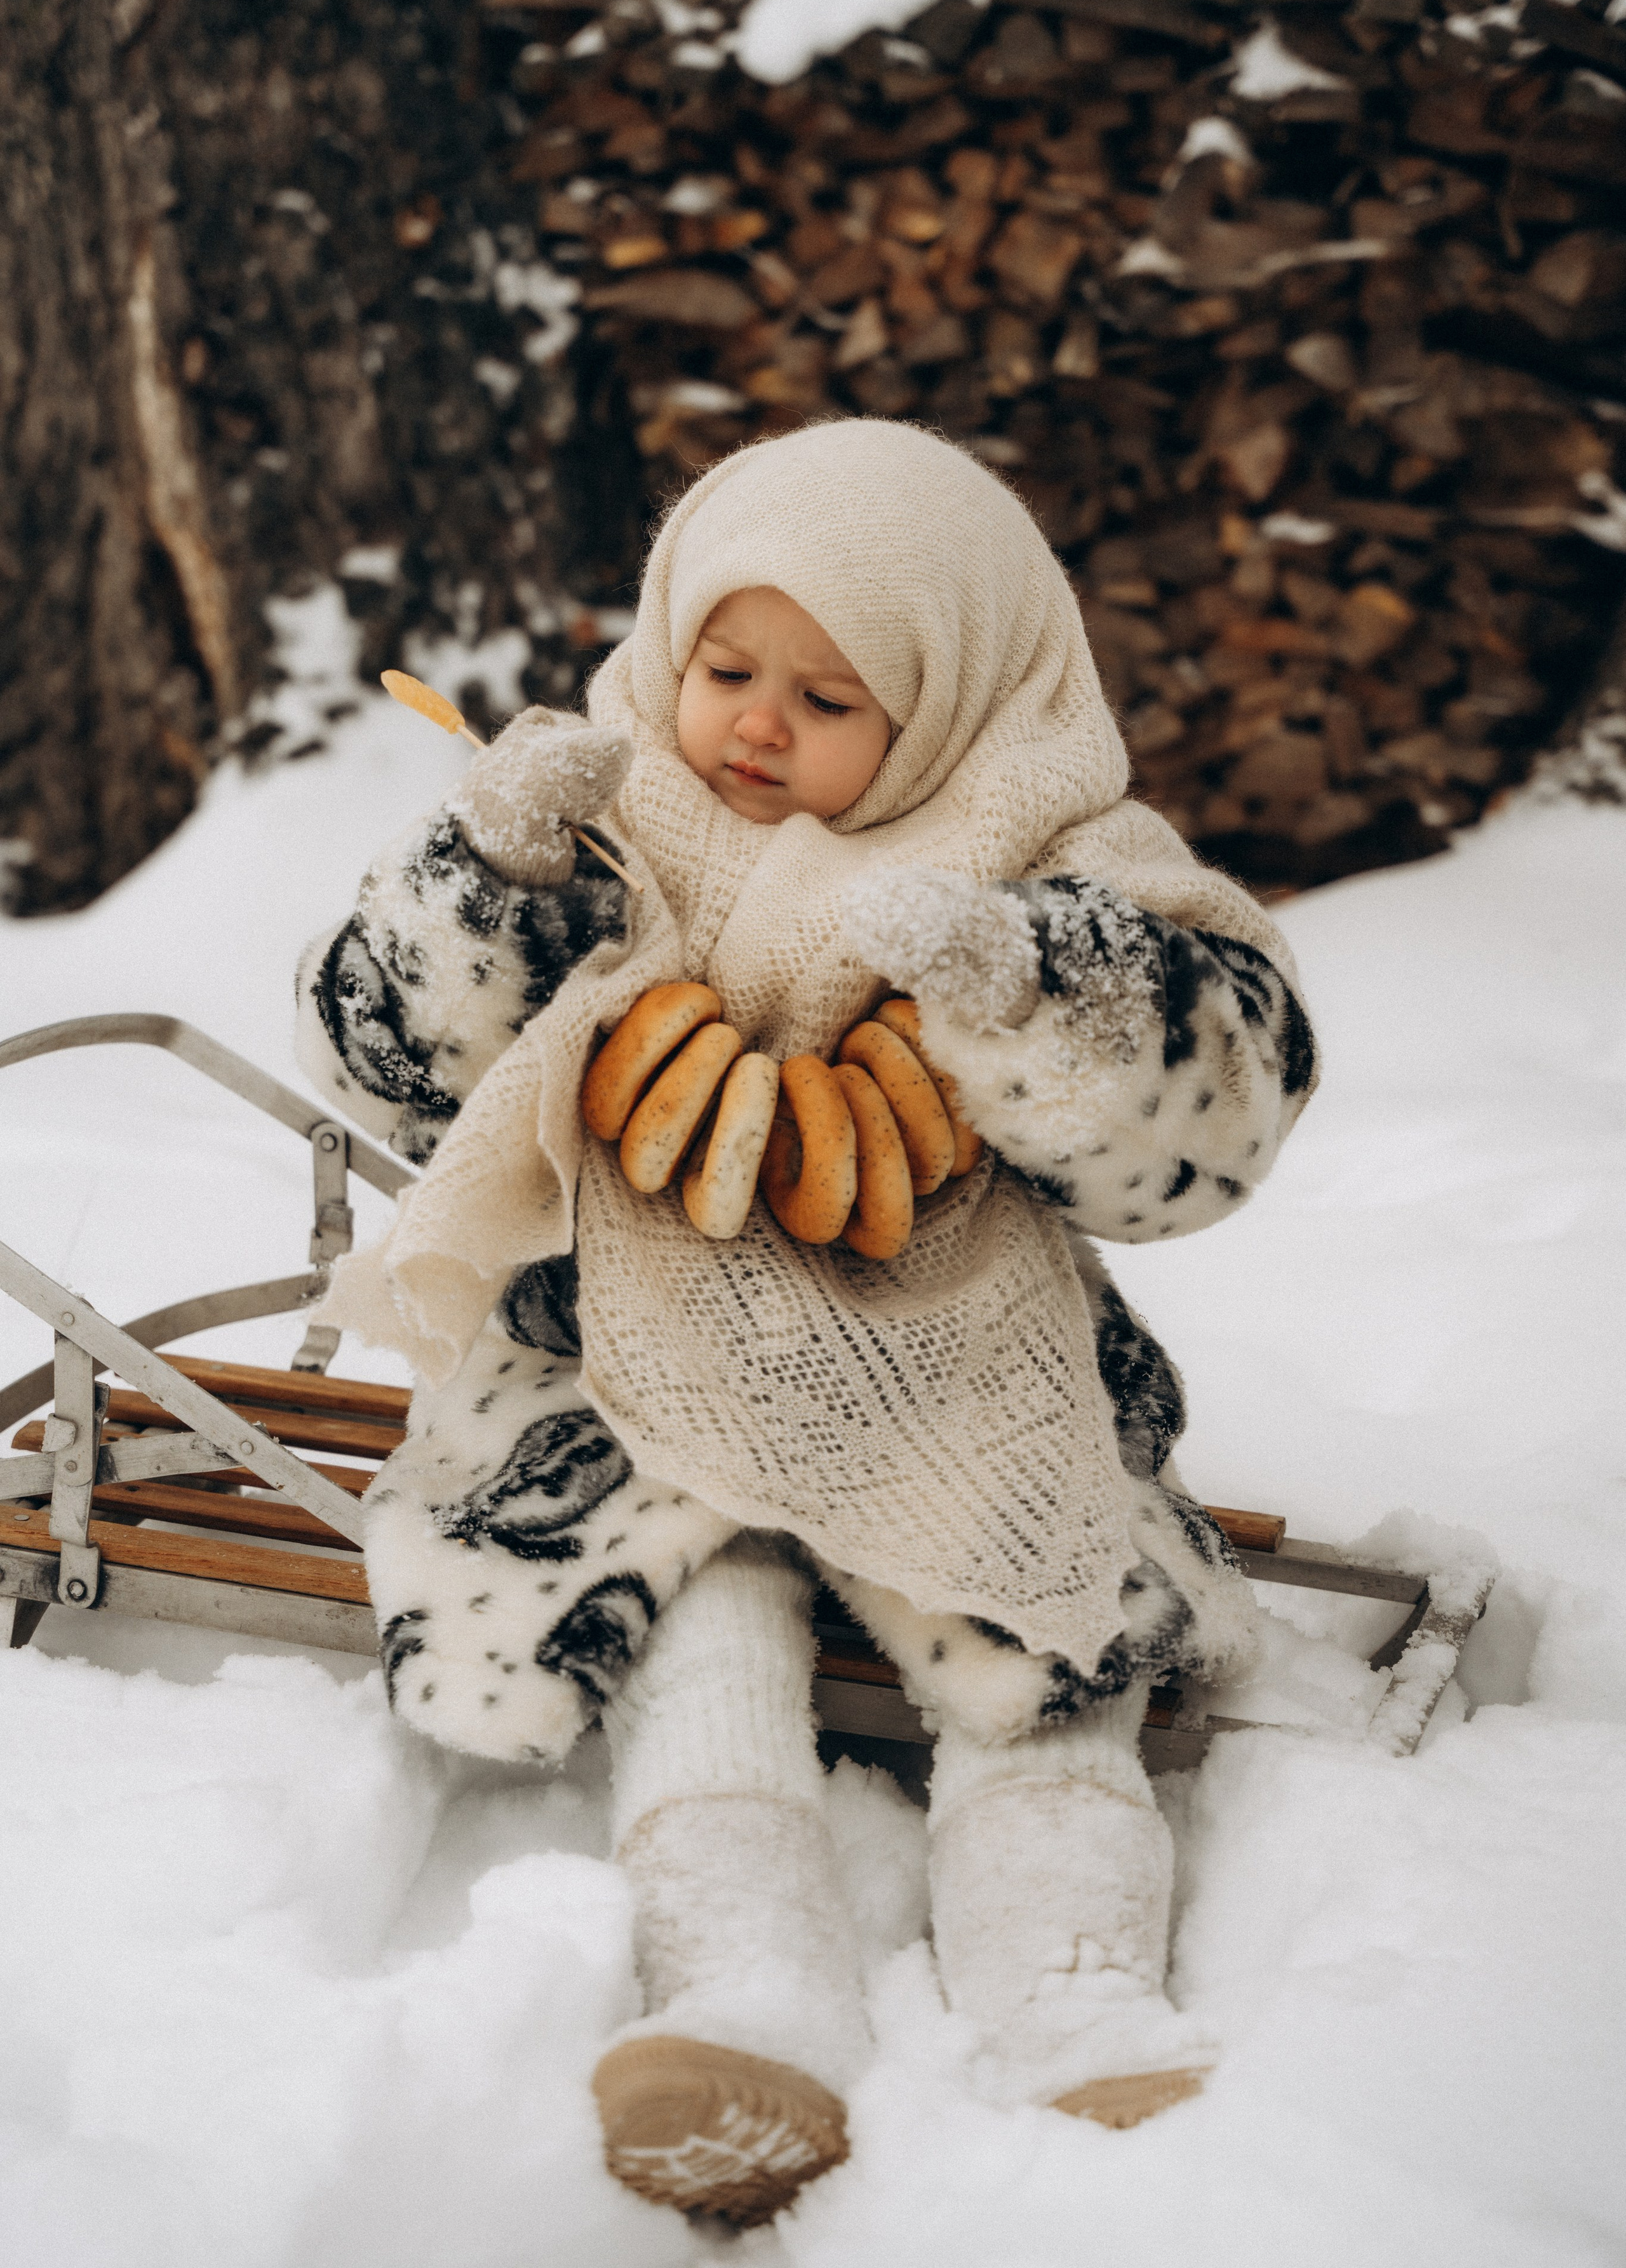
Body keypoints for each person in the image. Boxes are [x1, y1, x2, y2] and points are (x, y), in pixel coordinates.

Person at [296, 420, 1317, 2227]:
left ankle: (1077, 1994)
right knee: (698, 1617)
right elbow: (382, 1050)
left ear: (951, 697)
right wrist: (493, 883)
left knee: (1043, 1624)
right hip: (622, 1352)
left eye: (830, 696)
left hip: (957, 1356)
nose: (756, 724)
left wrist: (1029, 985)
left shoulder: (1062, 846)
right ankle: (745, 2000)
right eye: (728, 668)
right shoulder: (602, 805)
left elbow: (1219, 1105)